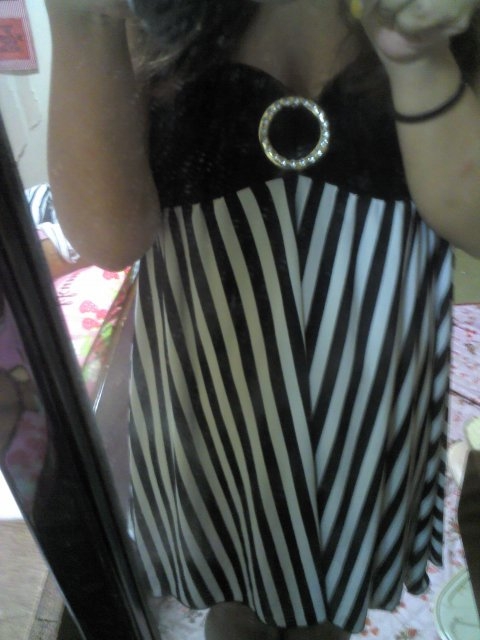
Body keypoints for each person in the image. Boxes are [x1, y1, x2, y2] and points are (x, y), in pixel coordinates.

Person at [43, 1, 480, 639]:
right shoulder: (136, 15)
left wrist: (421, 62)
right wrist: (83, 20)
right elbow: (109, 238)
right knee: (233, 604)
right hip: (212, 396)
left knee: (335, 604)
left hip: (369, 394)